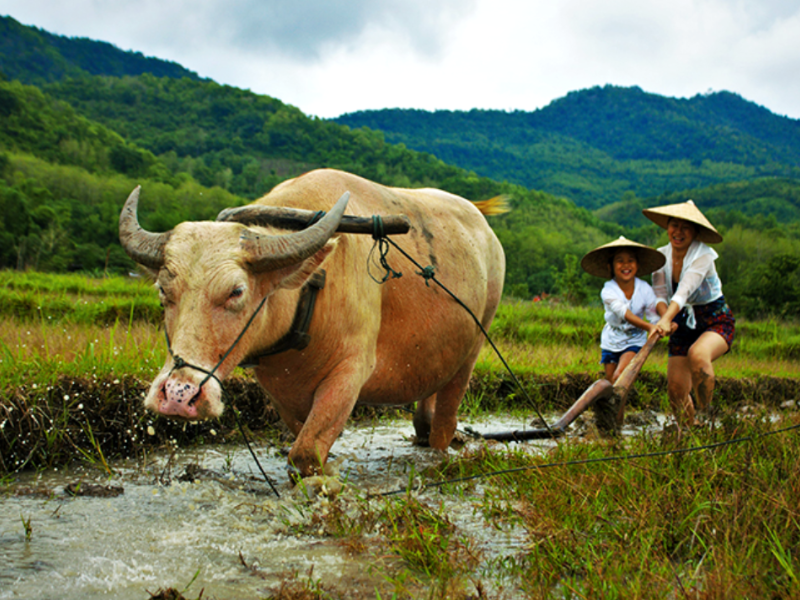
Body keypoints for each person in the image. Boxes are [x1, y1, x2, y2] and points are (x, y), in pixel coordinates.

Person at [642, 200, 735, 427]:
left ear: (695, 232)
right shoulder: (660, 258)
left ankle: (706, 416)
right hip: (681, 319)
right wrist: (668, 319)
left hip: (713, 317)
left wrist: (665, 319)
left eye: (686, 227)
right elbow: (661, 296)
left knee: (698, 355)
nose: (679, 232)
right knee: (675, 388)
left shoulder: (703, 255)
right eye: (674, 225)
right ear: (667, 227)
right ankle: (690, 432)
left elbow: (684, 291)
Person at [580, 236, 664, 384]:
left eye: (630, 260)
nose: (626, 265)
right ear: (610, 266)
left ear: (637, 265)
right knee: (611, 384)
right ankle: (617, 408)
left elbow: (653, 314)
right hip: (611, 340)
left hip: (635, 339)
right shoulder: (608, 290)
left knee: (620, 377)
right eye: (620, 261)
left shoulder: (645, 288)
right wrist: (649, 327)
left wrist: (659, 326)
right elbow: (625, 313)